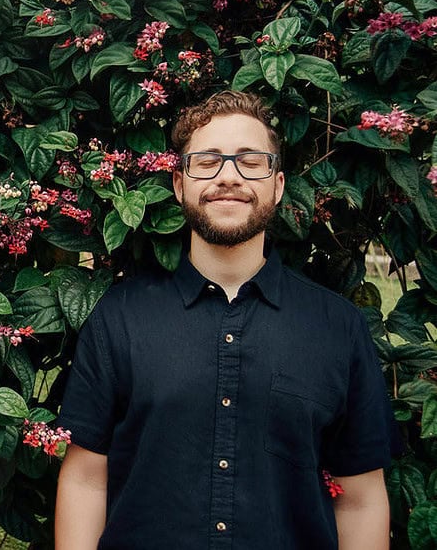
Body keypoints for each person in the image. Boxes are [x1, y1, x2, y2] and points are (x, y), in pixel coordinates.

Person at [54, 91, 391, 549]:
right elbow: (86, 480)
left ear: (277, 184)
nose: (228, 177)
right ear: (179, 183)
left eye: (251, 162)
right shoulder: (120, 319)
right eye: (207, 161)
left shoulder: (338, 327)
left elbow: (361, 499)